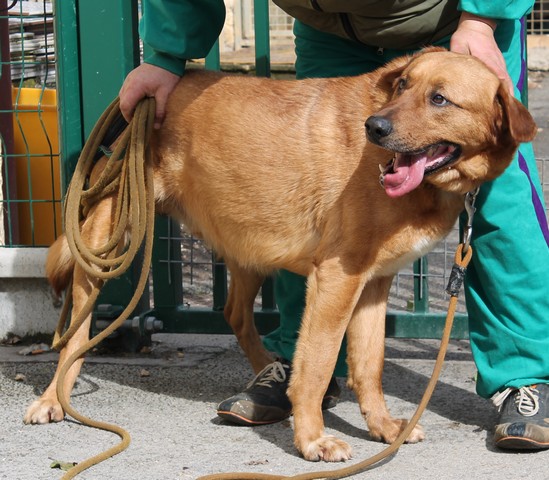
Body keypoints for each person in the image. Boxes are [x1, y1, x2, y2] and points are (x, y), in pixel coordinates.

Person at [119, 0, 549, 450]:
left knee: (502, 200)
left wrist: (482, 17)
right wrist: (164, 57)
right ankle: (298, 368)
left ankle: (524, 377)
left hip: (457, 21)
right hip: (331, 29)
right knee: (314, 200)